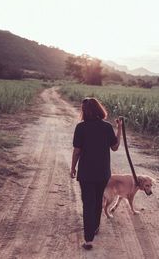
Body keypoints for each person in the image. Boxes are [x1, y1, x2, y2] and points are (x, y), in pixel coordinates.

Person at [70, 97, 122, 250]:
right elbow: (115, 147)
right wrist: (119, 129)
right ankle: (95, 227)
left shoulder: (81, 127)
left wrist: (73, 168)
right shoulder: (106, 127)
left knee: (88, 204)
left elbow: (77, 151)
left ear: (84, 111)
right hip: (103, 173)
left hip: (86, 173)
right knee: (98, 200)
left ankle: (88, 240)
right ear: (99, 109)